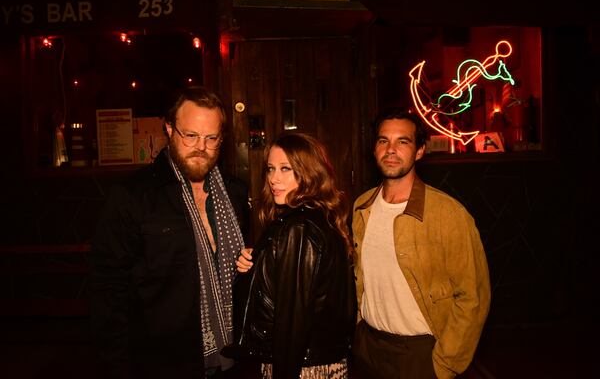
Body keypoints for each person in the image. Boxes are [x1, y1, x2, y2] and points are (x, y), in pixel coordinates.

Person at [90, 85, 249, 379]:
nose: (201, 146)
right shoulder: (133, 196)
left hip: (233, 361)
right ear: (169, 129)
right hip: (160, 363)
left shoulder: (236, 193)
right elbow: (108, 293)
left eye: (211, 138)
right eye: (190, 135)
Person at [351, 110, 491, 379]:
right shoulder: (361, 206)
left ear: (419, 151)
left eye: (402, 142)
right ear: (374, 148)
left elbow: (473, 296)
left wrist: (444, 363)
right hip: (368, 346)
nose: (391, 150)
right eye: (383, 141)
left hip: (419, 354)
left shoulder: (448, 214)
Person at [223, 133, 356, 379]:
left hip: (301, 369)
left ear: (309, 173)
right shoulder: (321, 217)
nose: (274, 178)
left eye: (286, 169)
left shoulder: (299, 227)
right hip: (319, 363)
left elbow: (292, 324)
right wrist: (258, 267)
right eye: (271, 169)